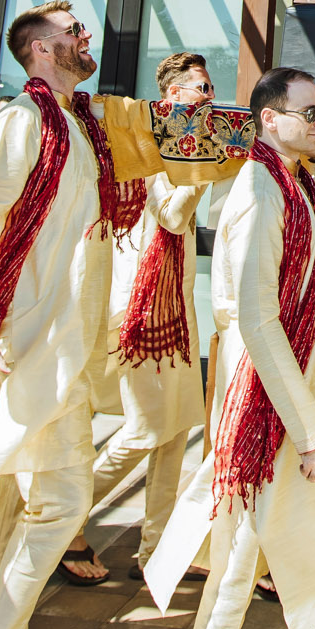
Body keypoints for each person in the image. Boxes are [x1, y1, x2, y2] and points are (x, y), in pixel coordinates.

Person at [0, 1, 152, 629]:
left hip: (70, 344)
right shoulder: (20, 121)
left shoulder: (79, 125)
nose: (87, 37)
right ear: (39, 49)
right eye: (73, 31)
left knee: (22, 502)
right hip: (32, 339)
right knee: (61, 504)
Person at [143, 65, 315, 629]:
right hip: (264, 389)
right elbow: (259, 321)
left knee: (260, 539)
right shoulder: (261, 193)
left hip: (295, 383)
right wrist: (310, 433)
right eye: (309, 113)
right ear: (269, 118)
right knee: (241, 547)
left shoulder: (296, 181)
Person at [73, 52, 216, 582]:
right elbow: (173, 217)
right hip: (143, 304)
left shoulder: (189, 144)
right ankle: (64, 514)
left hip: (176, 304)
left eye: (209, 88)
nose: (207, 97)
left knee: (177, 431)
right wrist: (202, 172)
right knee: (145, 428)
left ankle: (154, 548)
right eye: (198, 89)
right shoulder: (151, 143)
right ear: (171, 95)